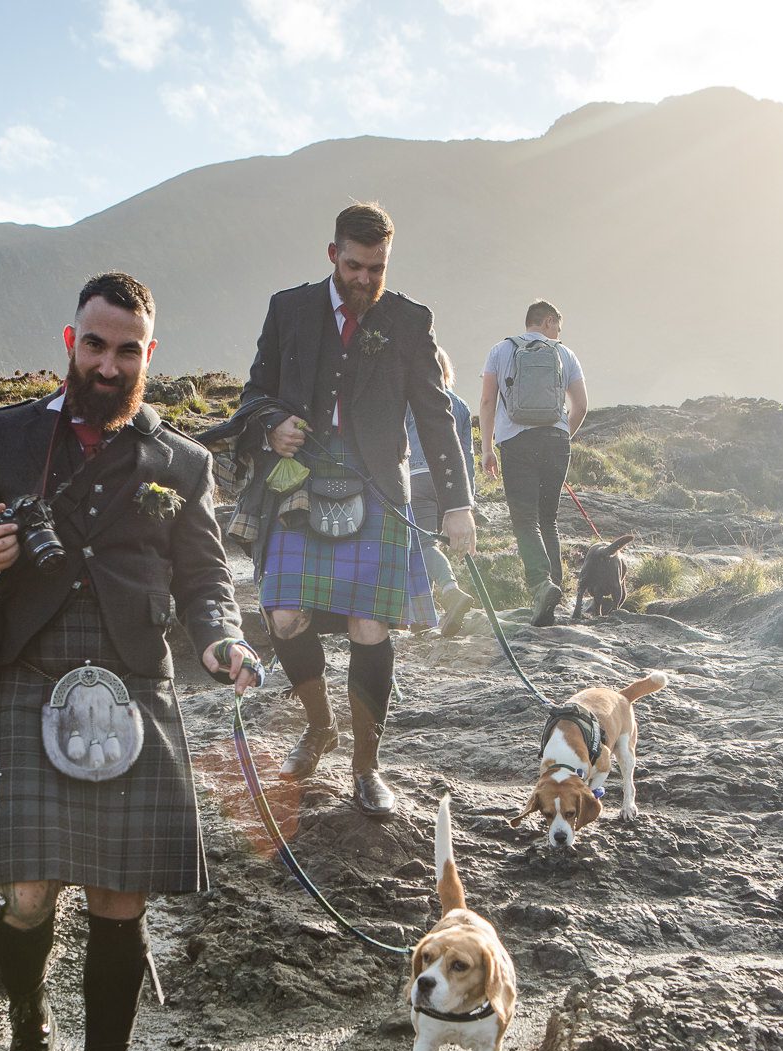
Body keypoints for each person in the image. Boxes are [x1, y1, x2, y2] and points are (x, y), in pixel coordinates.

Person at [0, 272, 259, 1051]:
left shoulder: (181, 463)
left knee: (121, 899)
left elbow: (204, 579)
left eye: (127, 351)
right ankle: (28, 1028)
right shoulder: (8, 434)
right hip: (29, 675)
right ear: (70, 341)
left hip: (134, 685)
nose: (108, 364)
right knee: (29, 889)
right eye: (95, 345)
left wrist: (222, 641)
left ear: (148, 355)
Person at [235, 202, 476, 817]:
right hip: (299, 477)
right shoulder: (288, 309)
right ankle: (319, 727)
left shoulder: (408, 320)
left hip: (374, 482)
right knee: (284, 616)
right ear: (332, 255)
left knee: (370, 627)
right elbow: (254, 393)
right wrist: (272, 424)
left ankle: (367, 767)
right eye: (354, 265)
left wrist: (457, 504)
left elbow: (434, 413)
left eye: (377, 267)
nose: (365, 279)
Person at [480, 300, 587, 626]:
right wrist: (561, 435)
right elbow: (581, 406)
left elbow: (486, 401)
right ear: (548, 321)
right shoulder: (565, 354)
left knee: (525, 520)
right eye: (557, 326)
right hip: (555, 442)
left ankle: (541, 586)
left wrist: (487, 449)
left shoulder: (500, 350)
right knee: (548, 518)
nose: (558, 332)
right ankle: (555, 591)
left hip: (516, 442)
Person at [406, 346, 477, 635]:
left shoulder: (410, 399)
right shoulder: (459, 404)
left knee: (421, 545)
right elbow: (467, 455)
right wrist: (465, 502)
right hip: (451, 487)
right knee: (428, 544)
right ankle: (427, 617)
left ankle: (450, 593)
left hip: (418, 477)